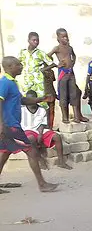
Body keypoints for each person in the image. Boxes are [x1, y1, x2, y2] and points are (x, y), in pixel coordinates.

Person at [0, 56, 58, 193]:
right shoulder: (5, 83)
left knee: (4, 153)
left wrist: (41, 98)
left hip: (9, 125)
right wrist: (1, 124)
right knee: (31, 151)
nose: (21, 66)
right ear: (9, 67)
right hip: (10, 125)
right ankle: (42, 184)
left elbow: (23, 100)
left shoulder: (13, 83)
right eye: (18, 64)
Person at [21, 90, 71, 170]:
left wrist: (40, 134)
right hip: (27, 131)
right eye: (29, 100)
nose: (31, 101)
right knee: (31, 138)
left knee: (57, 136)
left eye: (33, 99)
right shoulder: (21, 110)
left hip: (39, 130)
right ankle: (40, 160)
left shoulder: (42, 110)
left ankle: (61, 162)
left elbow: (42, 124)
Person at [47, 28, 87, 123]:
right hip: (63, 73)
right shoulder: (57, 48)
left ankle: (77, 117)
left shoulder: (70, 48)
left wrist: (72, 63)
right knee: (63, 95)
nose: (65, 38)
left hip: (71, 73)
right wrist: (56, 64)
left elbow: (74, 56)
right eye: (63, 37)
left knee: (74, 93)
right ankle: (65, 117)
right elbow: (47, 56)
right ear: (58, 38)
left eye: (66, 36)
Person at [18, 32, 55, 122]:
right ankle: (26, 124)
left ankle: (44, 124)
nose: (36, 42)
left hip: (37, 80)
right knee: (25, 101)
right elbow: (18, 63)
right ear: (28, 40)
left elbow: (52, 64)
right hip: (25, 81)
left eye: (37, 40)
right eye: (34, 40)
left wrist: (42, 70)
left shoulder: (40, 53)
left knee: (41, 101)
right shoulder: (23, 52)